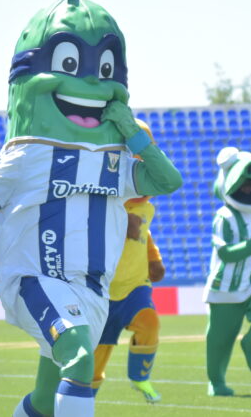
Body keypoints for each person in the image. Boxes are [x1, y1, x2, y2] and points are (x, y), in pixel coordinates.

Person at [0, 0, 182, 417]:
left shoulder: (115, 163)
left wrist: (133, 133)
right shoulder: (30, 155)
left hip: (92, 290)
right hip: (35, 281)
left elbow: (166, 182)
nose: (94, 84)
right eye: (73, 67)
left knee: (44, 400)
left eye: (105, 71)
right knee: (79, 361)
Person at [92, 121, 167, 404]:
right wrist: (120, 220)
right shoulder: (100, 201)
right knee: (95, 359)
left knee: (149, 323)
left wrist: (154, 259)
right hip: (101, 291)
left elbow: (145, 237)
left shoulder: (147, 207)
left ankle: (140, 376)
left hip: (135, 286)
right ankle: (81, 399)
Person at [203, 147, 251, 397]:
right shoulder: (224, 216)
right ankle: (217, 382)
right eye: (243, 184)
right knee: (220, 340)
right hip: (225, 286)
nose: (248, 189)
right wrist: (249, 247)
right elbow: (224, 252)